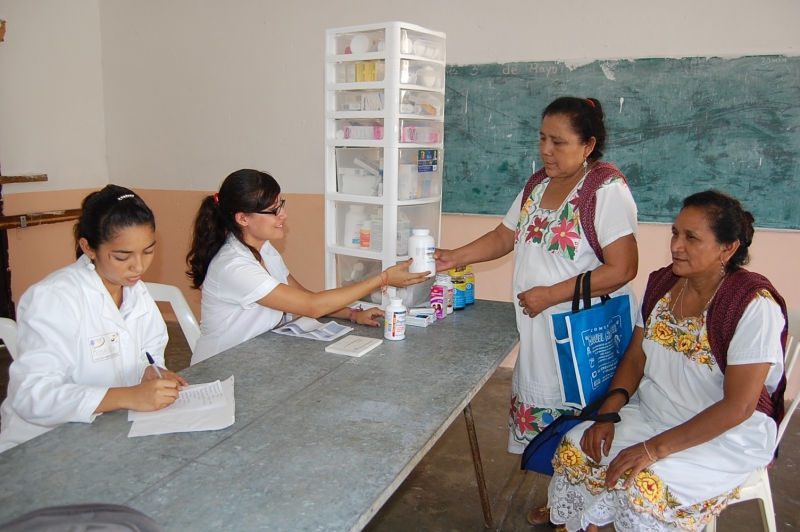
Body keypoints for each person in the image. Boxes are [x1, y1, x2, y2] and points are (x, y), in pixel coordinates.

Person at [434, 96, 638, 525]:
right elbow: (503, 236)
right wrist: (454, 256)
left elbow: (623, 268)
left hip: (580, 330)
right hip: (540, 330)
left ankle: (593, 511)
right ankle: (562, 500)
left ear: (588, 145)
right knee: (551, 421)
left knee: (584, 416)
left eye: (559, 142)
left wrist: (552, 294)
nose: (546, 150)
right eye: (543, 138)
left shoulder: (606, 190)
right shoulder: (537, 185)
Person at [547, 190, 787, 532]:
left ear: (727, 248)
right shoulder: (663, 283)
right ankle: (589, 522)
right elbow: (635, 357)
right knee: (577, 447)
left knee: (645, 485)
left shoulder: (752, 305)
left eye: (691, 238)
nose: (676, 246)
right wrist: (609, 413)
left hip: (722, 435)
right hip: (655, 412)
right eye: (675, 233)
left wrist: (653, 449)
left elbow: (738, 407)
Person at [0, 185, 187, 453]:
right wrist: (128, 396)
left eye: (148, 251)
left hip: (104, 435)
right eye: (123, 256)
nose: (139, 266)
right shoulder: (54, 298)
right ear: (88, 247)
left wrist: (149, 372)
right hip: (42, 446)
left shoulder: (135, 290)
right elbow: (32, 397)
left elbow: (147, 351)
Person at [186, 169, 428, 365]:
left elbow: (304, 298)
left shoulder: (264, 249)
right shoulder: (234, 266)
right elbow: (311, 307)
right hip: (220, 367)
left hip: (254, 358)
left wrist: (353, 314)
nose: (284, 214)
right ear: (243, 218)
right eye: (273, 210)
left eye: (281, 204)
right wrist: (384, 278)